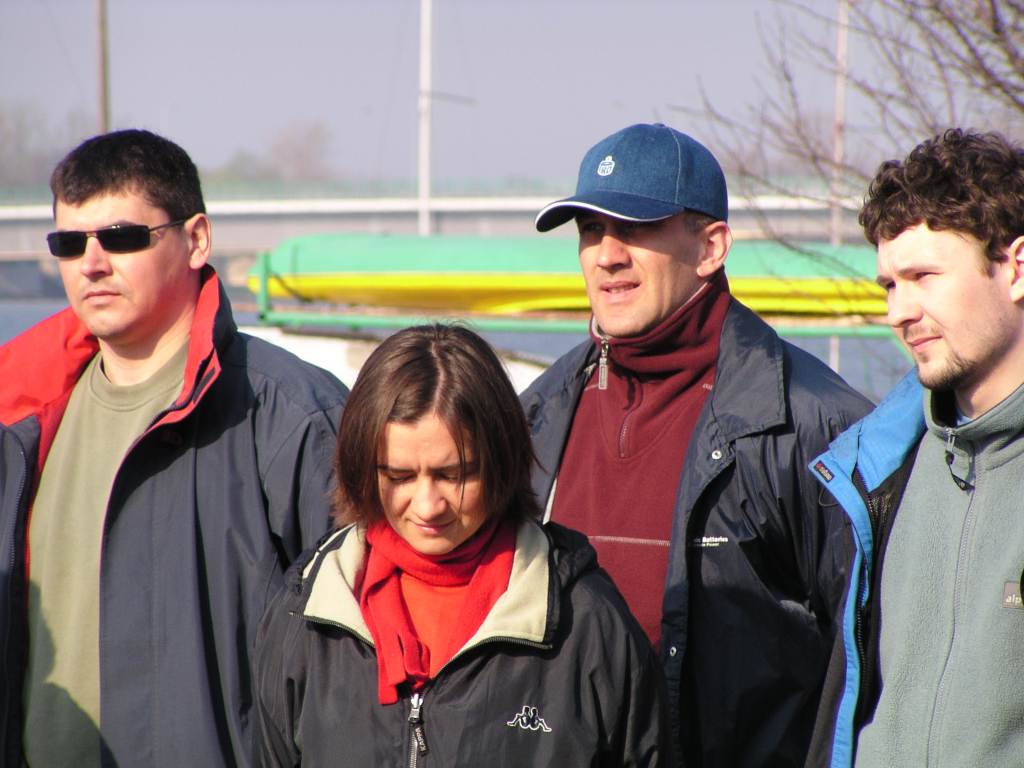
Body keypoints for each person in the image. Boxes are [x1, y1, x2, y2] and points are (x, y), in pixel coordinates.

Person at [520, 122, 873, 766]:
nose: (606, 255)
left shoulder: (819, 427)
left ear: (711, 247)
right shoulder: (536, 415)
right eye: (591, 230)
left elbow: (874, 664)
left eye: (635, 228)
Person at [0, 129, 348, 766]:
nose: (91, 263)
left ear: (197, 240)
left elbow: (363, 674)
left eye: (122, 237)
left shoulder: (293, 416)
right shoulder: (18, 419)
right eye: (69, 244)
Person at [254, 324, 668, 766]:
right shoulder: (306, 613)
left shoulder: (586, 623)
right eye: (399, 477)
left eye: (453, 475)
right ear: (362, 470)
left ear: (501, 461)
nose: (428, 506)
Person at [806, 129, 1024, 767]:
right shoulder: (878, 471)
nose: (899, 312)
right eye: (889, 286)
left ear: (1015, 268)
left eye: (924, 277)